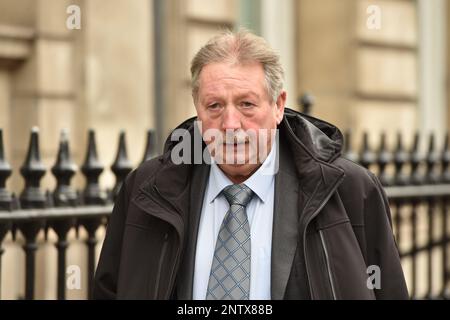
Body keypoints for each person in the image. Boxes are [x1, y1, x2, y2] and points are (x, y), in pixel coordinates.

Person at [93, 29, 408, 300]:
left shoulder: (351, 190)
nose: (230, 124)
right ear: (197, 108)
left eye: (247, 104)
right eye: (214, 106)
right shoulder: (145, 190)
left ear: (278, 105)